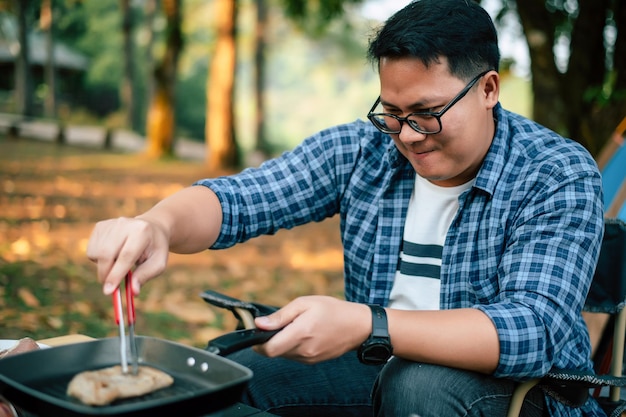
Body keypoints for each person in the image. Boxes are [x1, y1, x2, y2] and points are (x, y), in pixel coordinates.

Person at [86, 0, 605, 416]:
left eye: (426, 113)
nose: (407, 135)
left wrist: (368, 324)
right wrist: (157, 224)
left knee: (418, 387)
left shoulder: (554, 171)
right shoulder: (364, 151)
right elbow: (241, 199)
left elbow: (533, 330)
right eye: (393, 113)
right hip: (380, 366)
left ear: (488, 88)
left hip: (523, 393)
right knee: (224, 374)